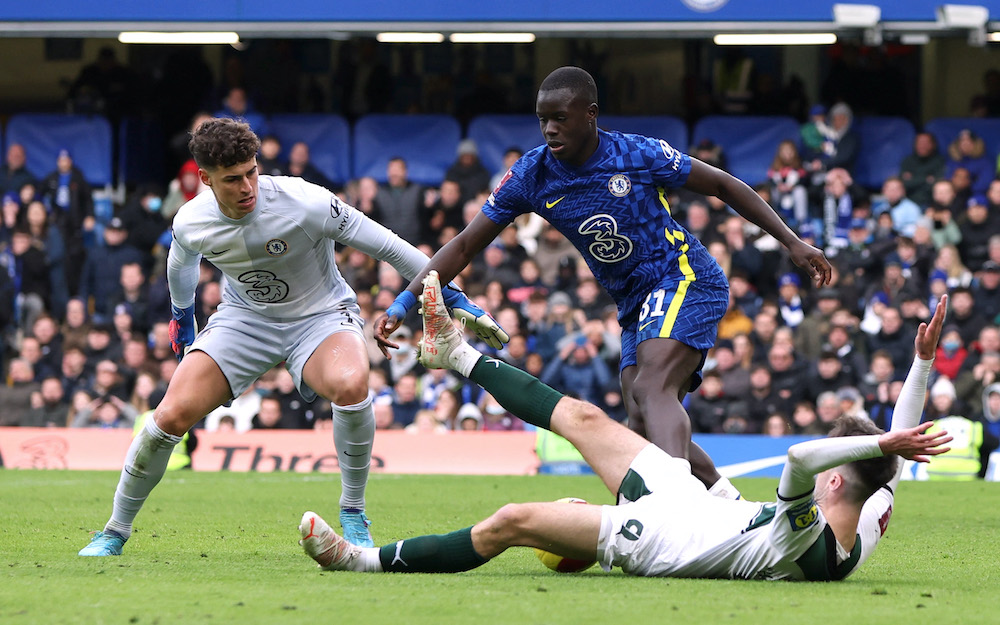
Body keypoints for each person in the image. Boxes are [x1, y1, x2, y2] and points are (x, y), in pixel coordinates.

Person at [299, 272, 951, 581]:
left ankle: (360, 560)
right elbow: (894, 442)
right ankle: (454, 353)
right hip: (689, 501)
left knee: (511, 519)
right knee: (583, 416)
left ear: (838, 478)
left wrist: (878, 441)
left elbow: (799, 456)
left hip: (662, 540)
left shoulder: (813, 544)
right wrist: (918, 366)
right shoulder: (870, 502)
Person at [376, 67, 831, 498]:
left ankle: (674, 507)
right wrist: (403, 303)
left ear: (590, 114)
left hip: (683, 275)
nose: (549, 129)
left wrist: (792, 242)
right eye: (542, 120)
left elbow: (724, 185)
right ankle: (728, 502)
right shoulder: (531, 175)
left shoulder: (636, 153)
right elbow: (463, 247)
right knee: (639, 418)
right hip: (632, 299)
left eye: (560, 118)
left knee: (653, 389)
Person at [77, 118, 506, 557]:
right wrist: (182, 316)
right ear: (205, 179)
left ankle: (353, 512)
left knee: (352, 384)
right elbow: (180, 264)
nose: (247, 187)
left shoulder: (306, 201)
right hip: (244, 320)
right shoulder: (191, 219)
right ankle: (113, 531)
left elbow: (390, 246)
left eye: (252, 172)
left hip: (321, 316)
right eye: (232, 179)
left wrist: (453, 297)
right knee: (168, 416)